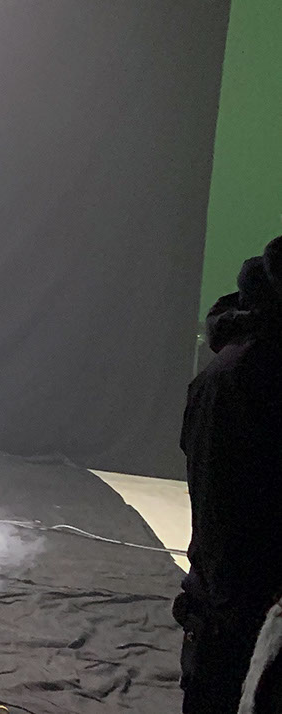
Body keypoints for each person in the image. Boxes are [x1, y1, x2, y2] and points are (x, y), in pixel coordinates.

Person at [178, 234, 282, 714]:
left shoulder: (236, 367)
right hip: (237, 599)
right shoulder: (249, 375)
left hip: (227, 596)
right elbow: (227, 506)